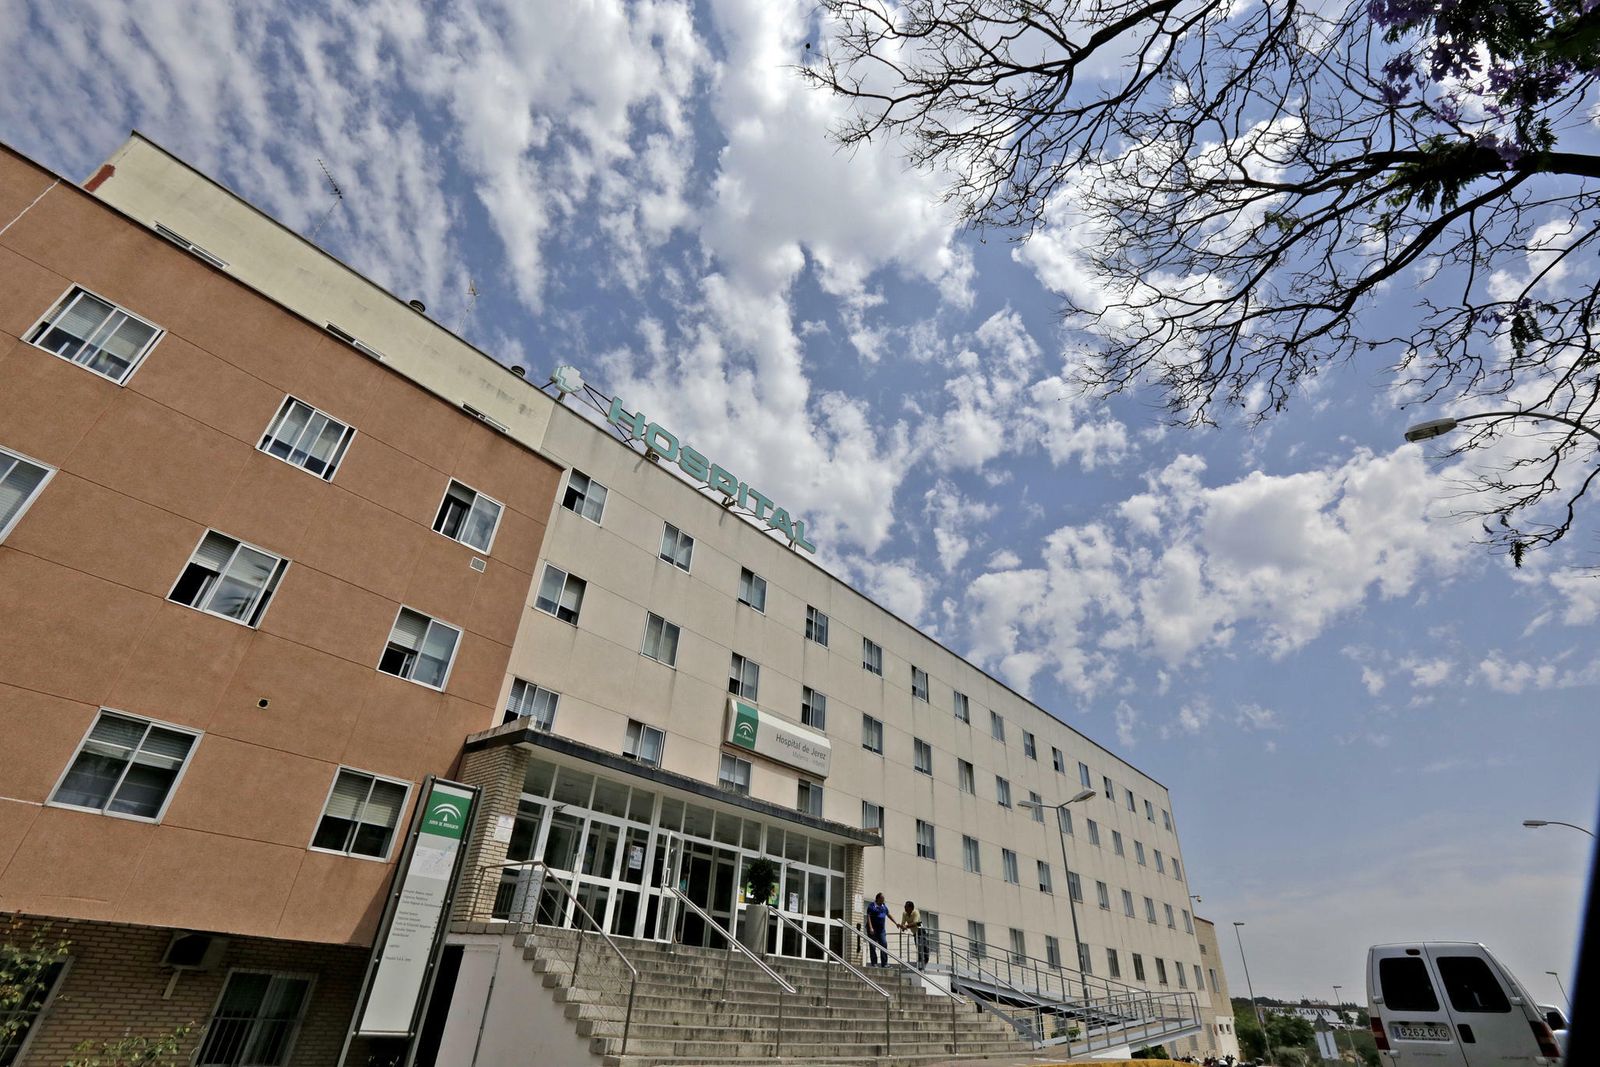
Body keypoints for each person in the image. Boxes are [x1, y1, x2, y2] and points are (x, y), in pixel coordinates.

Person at [865, 892, 891, 966]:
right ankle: (874, 963)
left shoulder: (884, 906)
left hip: (881, 930)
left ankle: (884, 963)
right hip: (872, 929)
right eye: (882, 899)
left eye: (883, 899)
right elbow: (868, 917)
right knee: (873, 946)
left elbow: (888, 914)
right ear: (878, 899)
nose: (883, 900)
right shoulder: (872, 906)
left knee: (884, 944)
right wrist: (871, 928)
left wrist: (896, 923)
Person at [900, 900, 928, 967]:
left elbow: (915, 923)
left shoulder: (916, 912)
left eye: (906, 907)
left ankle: (925, 958)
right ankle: (920, 961)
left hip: (921, 930)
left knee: (923, 946)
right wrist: (902, 927)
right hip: (915, 932)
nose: (905, 908)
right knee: (919, 946)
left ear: (911, 908)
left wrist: (906, 926)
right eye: (905, 907)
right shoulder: (904, 914)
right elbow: (903, 923)